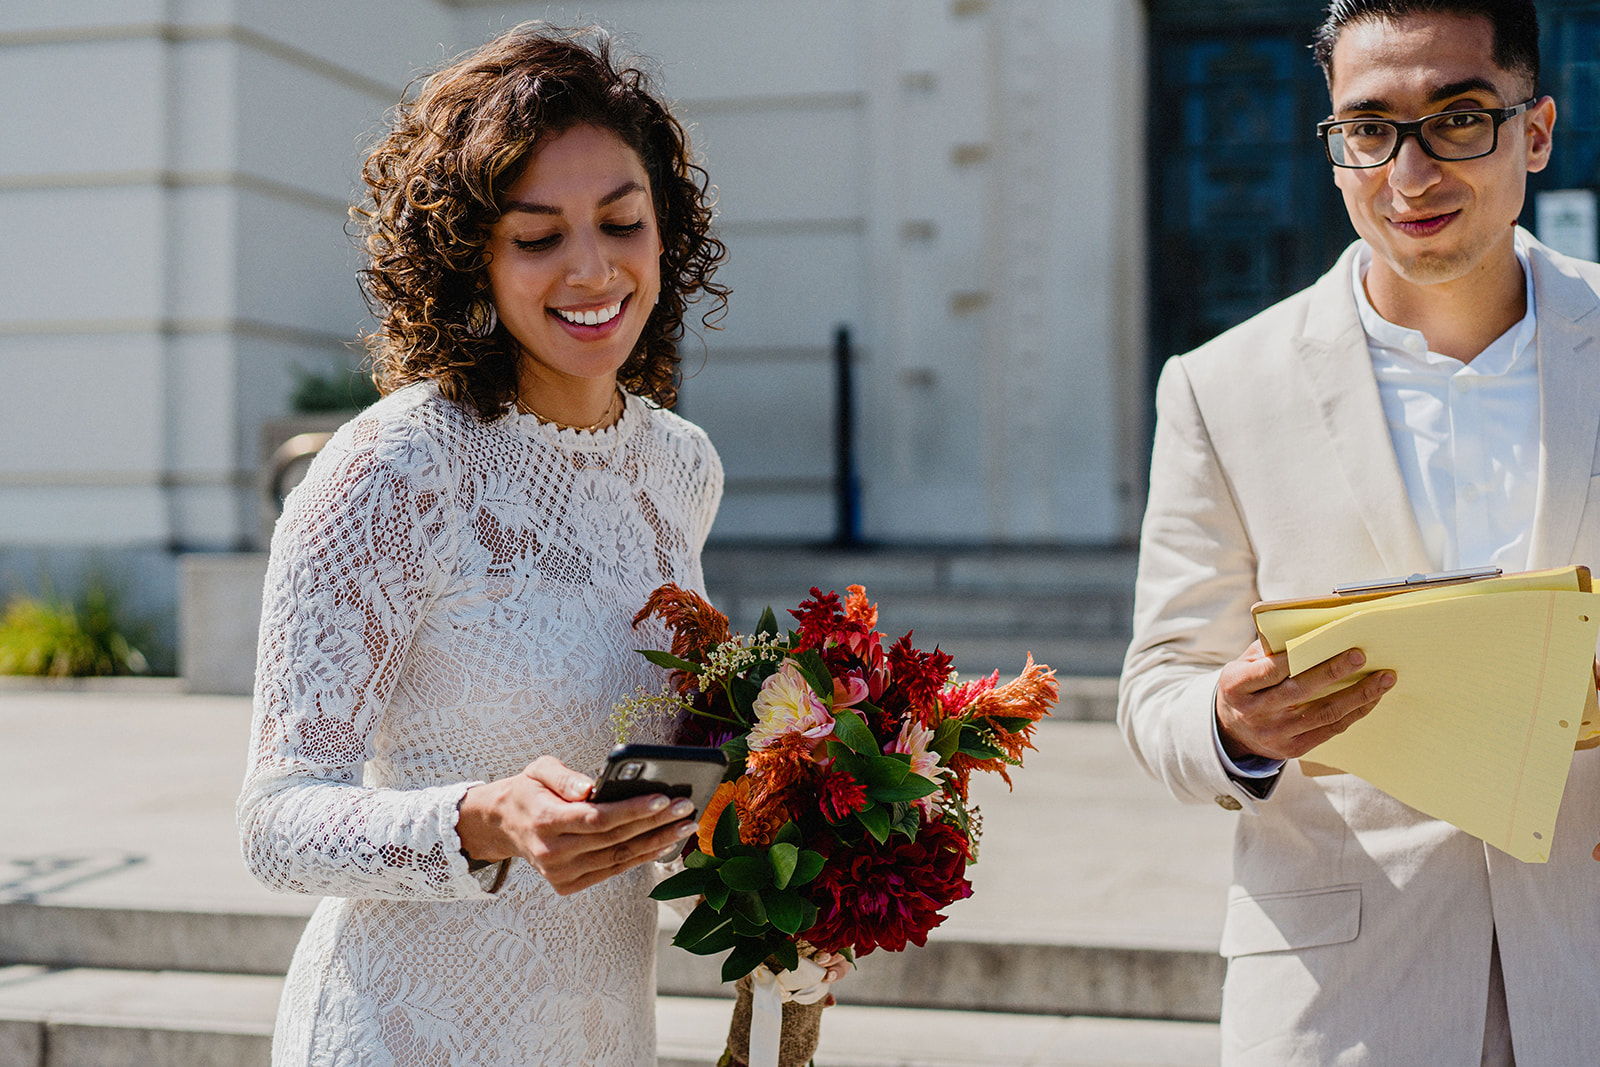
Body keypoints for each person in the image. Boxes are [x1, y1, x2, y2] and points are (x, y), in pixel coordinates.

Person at [238, 25, 733, 1065]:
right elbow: (277, 824)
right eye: (537, 235)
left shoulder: (680, 467)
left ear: (664, 231)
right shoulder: (389, 470)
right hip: (401, 1032)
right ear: (472, 254)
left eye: (621, 221)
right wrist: (484, 817)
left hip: (603, 1027)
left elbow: (653, 755)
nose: (591, 267)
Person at [1119, 1, 1600, 1062]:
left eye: (1459, 117)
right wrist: (1232, 724)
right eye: (1369, 128)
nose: (1409, 174)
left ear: (1537, 130)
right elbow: (1157, 684)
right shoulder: (1217, 387)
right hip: (1344, 997)